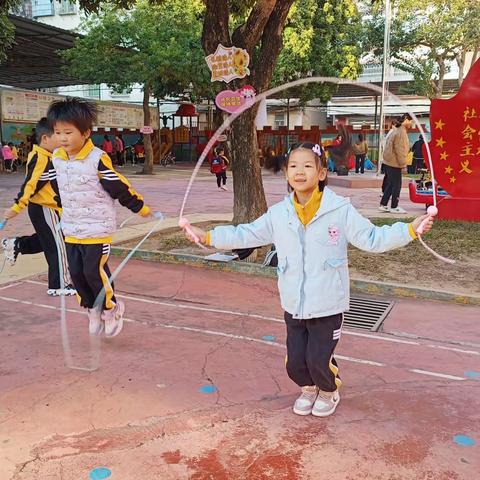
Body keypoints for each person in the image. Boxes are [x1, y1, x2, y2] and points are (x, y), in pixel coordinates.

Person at [182, 142, 433, 418]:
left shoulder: (340, 210)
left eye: (307, 166)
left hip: (328, 303)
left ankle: (328, 390)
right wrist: (207, 236)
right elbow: (246, 234)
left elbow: (373, 238)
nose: (299, 172)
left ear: (322, 172)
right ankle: (308, 388)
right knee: (296, 364)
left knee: (318, 359)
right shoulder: (279, 214)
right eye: (293, 166)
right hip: (294, 303)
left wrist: (410, 229)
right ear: (287, 173)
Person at [47, 97, 152, 338]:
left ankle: (111, 308)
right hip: (72, 228)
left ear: (85, 133)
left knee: (93, 270)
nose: (62, 138)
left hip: (97, 228)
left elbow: (119, 187)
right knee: (76, 273)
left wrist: (141, 208)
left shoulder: (97, 159)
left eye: (68, 132)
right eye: (57, 133)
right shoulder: (57, 158)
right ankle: (91, 308)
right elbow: (57, 187)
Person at [1, 118, 75, 296]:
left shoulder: (51, 156)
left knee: (49, 239)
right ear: (45, 138)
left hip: (50, 208)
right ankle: (60, 284)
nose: (63, 139)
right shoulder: (40, 157)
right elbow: (30, 185)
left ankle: (16, 244)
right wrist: (17, 207)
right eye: (58, 135)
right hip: (44, 207)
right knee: (58, 245)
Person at [379, 113, 412, 214]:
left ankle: (383, 204)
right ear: (406, 120)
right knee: (397, 185)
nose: (411, 123)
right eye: (411, 121)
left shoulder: (396, 130)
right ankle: (394, 206)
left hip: (389, 162)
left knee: (391, 184)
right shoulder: (401, 132)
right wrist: (403, 164)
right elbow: (400, 150)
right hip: (395, 163)